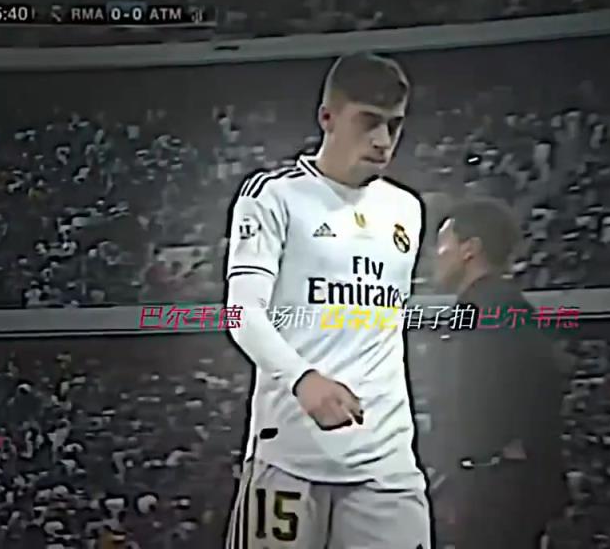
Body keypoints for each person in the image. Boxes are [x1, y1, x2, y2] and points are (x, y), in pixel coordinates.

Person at [224, 52, 431, 548]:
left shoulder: (407, 209)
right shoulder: (273, 196)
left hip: (386, 462)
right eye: (368, 122)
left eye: (394, 125)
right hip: (289, 455)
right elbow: (241, 312)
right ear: (328, 117)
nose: (382, 140)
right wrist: (303, 379)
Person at [433, 198, 567, 549]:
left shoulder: (497, 309)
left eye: (443, 243)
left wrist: (489, 465)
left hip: (496, 489)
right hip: (487, 483)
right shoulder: (488, 306)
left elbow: (534, 389)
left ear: (470, 249)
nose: (436, 254)